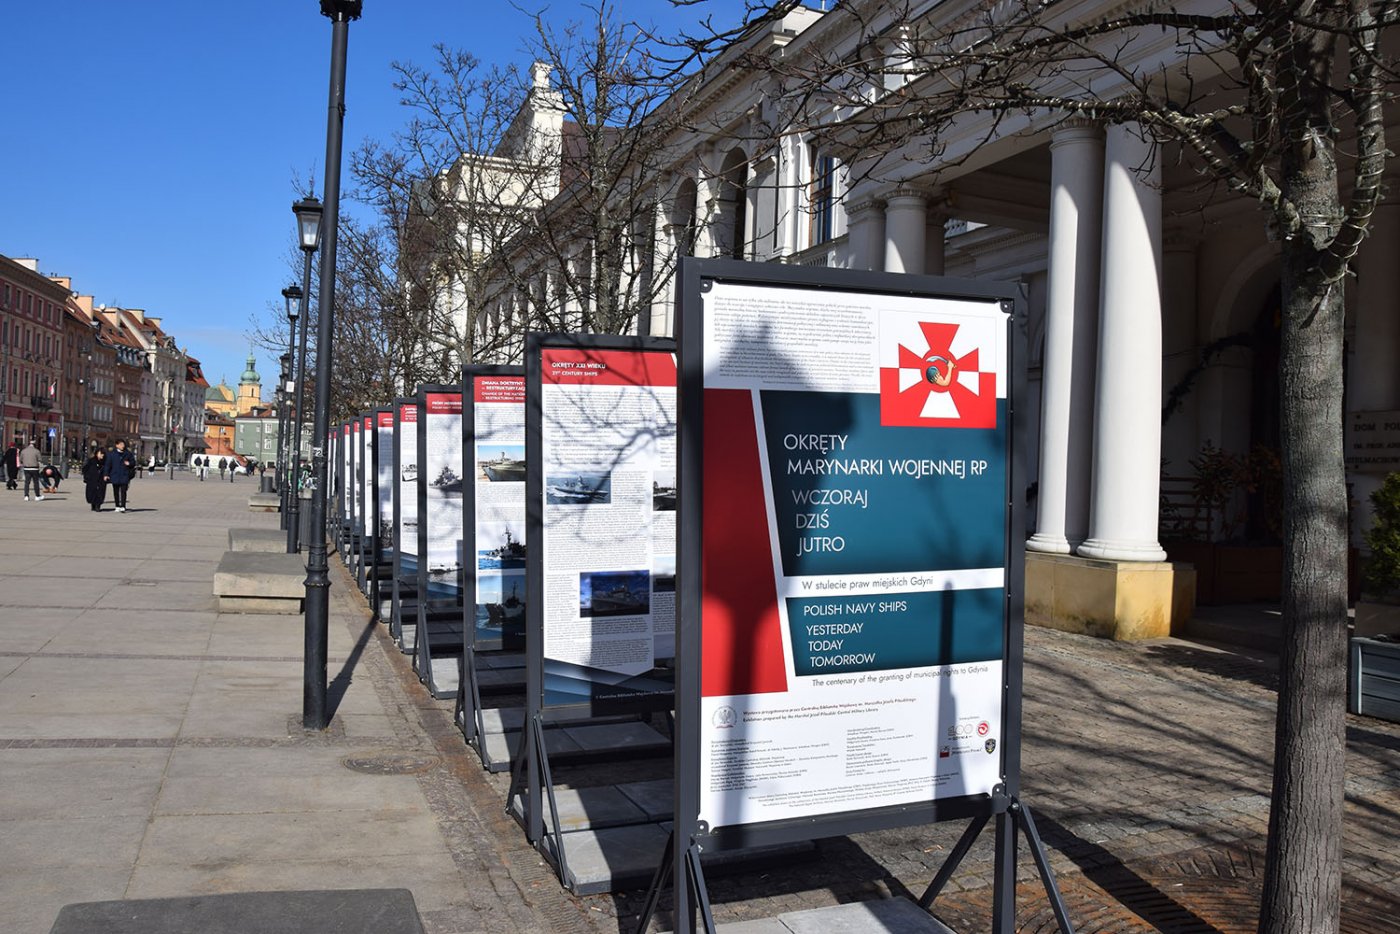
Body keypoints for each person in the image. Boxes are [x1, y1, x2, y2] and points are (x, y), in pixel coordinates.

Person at [103, 438, 137, 513]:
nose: (122, 446)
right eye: (121, 444)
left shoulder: (128, 453)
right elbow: (108, 465)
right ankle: (117, 506)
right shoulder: (112, 454)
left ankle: (123, 506)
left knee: (123, 491)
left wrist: (129, 463)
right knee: (116, 491)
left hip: (124, 475)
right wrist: (106, 474)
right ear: (117, 445)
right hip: (115, 475)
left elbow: (133, 462)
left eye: (123, 444)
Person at [82, 447, 108, 511]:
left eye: (103, 454)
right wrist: (87, 476)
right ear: (97, 453)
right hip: (92, 479)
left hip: (101, 480)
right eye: (101, 453)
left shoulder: (105, 462)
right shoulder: (91, 461)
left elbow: (108, 469)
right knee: (91, 492)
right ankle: (93, 504)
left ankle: (98, 505)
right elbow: (85, 469)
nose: (102, 455)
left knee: (100, 492)